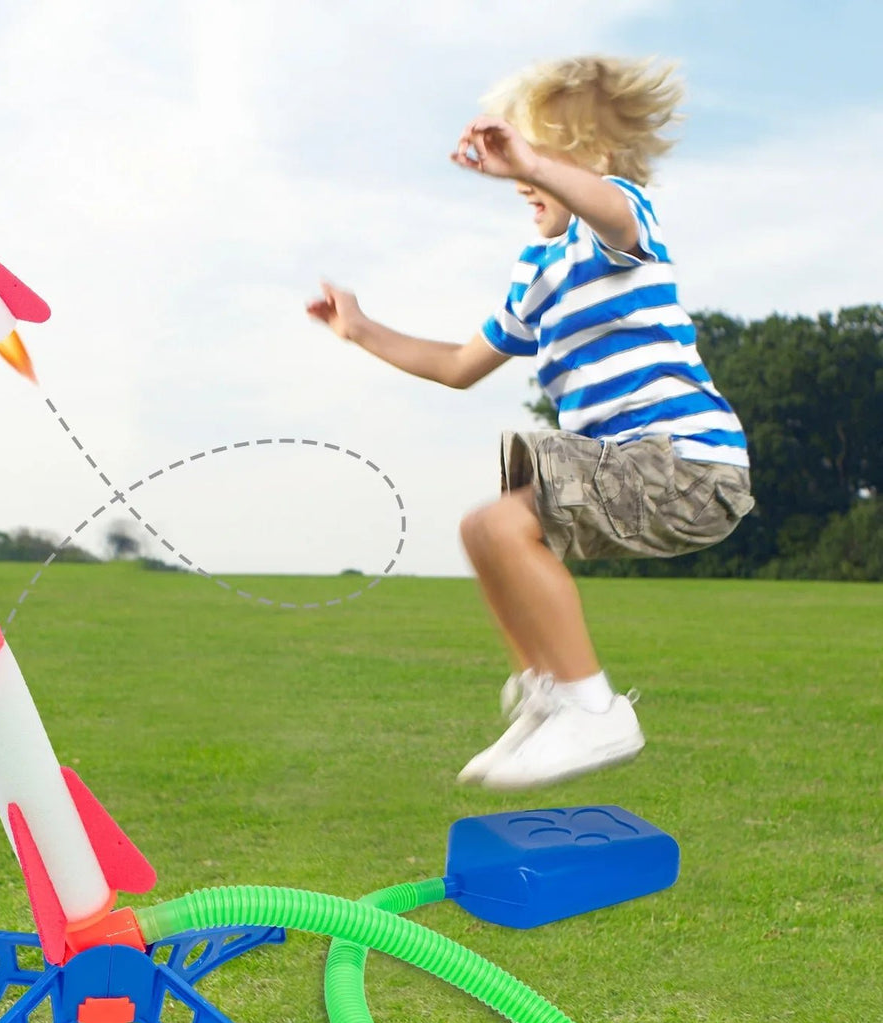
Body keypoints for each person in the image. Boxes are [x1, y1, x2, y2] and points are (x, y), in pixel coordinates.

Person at [306, 55, 753, 790]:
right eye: (515, 157)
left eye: (540, 155)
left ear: (593, 162)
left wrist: (538, 164)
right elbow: (457, 364)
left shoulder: (622, 224)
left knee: (508, 522)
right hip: (629, 470)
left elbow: (604, 205)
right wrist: (362, 330)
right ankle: (549, 697)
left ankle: (594, 709)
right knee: (486, 530)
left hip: (687, 466)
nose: (521, 176)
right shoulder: (538, 272)